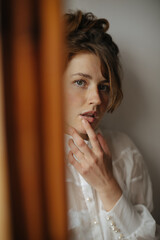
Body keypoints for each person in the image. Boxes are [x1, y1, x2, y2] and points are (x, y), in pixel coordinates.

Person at [63, 10, 158, 239]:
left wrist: (107, 185)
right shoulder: (25, 162)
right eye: (80, 82)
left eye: (104, 86)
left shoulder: (126, 152)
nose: (96, 99)